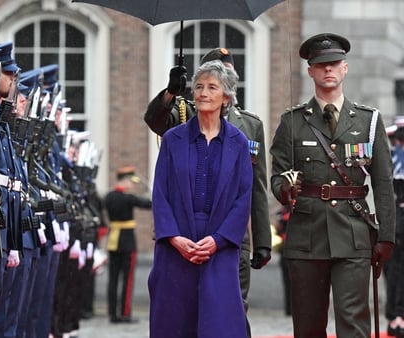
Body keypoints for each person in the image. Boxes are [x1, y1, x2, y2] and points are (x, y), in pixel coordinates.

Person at [269, 32, 396, 338]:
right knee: (309, 324)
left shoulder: (369, 121)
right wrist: (285, 191)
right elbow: (276, 176)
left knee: (353, 322)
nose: (328, 69)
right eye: (320, 64)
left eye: (334, 63)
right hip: (306, 235)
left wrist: (387, 237)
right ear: (310, 70)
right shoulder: (292, 121)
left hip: (353, 234)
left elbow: (382, 183)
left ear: (344, 68)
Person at [143, 47, 271, 336]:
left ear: (226, 94)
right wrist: (174, 237)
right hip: (178, 240)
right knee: (176, 318)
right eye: (199, 86)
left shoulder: (242, 136)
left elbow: (249, 192)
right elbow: (160, 190)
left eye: (212, 87)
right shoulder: (176, 132)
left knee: (224, 319)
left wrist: (228, 239)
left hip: (223, 242)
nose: (203, 92)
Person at [104, 166, 151, 324]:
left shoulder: (109, 197)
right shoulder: (128, 198)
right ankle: (124, 312)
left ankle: (112, 313)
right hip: (127, 241)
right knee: (127, 279)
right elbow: (148, 204)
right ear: (125, 180)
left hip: (113, 240)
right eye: (131, 181)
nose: (132, 184)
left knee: (113, 278)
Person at [385, 121, 404, 337]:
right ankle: (396, 316)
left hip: (396, 218)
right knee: (395, 270)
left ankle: (395, 316)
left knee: (395, 271)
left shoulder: (394, 157)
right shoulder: (395, 158)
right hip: (397, 219)